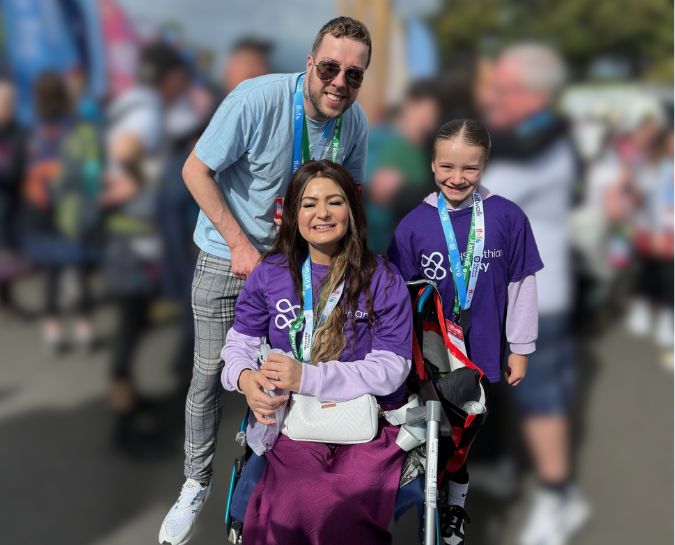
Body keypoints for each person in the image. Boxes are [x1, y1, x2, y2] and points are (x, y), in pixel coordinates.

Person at [159, 17, 371, 545]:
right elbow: (194, 171)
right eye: (329, 67)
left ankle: (276, 476)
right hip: (226, 255)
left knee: (292, 370)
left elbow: (352, 196)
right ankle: (195, 481)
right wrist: (238, 245)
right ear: (309, 64)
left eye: (353, 74)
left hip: (296, 265)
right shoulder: (256, 100)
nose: (339, 82)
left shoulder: (355, 123)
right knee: (210, 373)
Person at [222, 160, 412, 544]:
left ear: (352, 212)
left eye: (334, 202)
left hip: (369, 424)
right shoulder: (271, 273)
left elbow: (393, 367)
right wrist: (246, 379)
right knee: (293, 502)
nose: (322, 213)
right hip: (292, 422)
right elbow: (238, 345)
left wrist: (307, 377)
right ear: (292, 214)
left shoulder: (382, 277)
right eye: (309, 204)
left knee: (339, 508)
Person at [388, 118, 544, 545]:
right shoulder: (413, 225)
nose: (457, 178)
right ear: (432, 164)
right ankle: (431, 501)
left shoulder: (507, 216)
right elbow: (400, 298)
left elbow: (522, 284)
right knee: (437, 433)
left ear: (486, 164)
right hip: (435, 358)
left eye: (469, 169)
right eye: (446, 167)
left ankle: (455, 503)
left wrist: (522, 346)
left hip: (484, 349)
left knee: (469, 435)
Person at [480, 43, 591, 545]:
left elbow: (485, 203)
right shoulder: (529, 136)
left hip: (538, 302)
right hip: (519, 299)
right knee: (518, 398)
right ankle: (513, 469)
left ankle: (558, 498)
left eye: (503, 90)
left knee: (542, 403)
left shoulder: (541, 145)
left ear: (535, 95)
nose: (493, 98)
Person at [103, 42, 190, 453]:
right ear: (169, 78)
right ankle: (123, 427)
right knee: (128, 327)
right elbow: (125, 150)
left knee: (133, 326)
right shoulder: (150, 111)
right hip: (135, 243)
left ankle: (129, 400)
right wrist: (137, 182)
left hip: (126, 239)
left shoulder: (130, 103)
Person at [21, 71, 100, 353]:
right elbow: (90, 169)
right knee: (77, 268)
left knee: (51, 271)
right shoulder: (77, 128)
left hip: (41, 208)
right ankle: (84, 326)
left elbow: (27, 168)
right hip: (72, 207)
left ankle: (53, 329)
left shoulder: (34, 129)